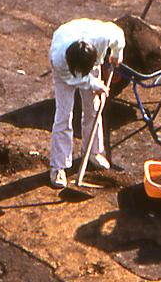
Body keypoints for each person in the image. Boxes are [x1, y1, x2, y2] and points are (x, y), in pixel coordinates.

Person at [48, 18, 125, 190]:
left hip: (89, 63)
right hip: (65, 74)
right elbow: (76, 79)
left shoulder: (104, 37)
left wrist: (116, 54)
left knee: (93, 109)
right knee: (64, 115)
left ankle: (94, 151)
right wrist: (95, 84)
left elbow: (119, 35)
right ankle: (59, 167)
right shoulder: (59, 59)